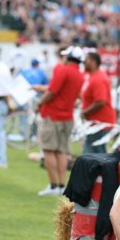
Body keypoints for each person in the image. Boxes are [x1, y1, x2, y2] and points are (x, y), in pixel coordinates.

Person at [35, 45, 84, 196]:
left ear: (68, 57)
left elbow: (52, 92)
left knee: (49, 150)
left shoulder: (64, 70)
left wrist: (40, 103)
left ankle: (53, 185)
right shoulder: (80, 75)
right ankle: (62, 185)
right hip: (67, 116)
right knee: (62, 151)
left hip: (53, 115)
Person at [80, 51, 117, 154]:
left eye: (86, 60)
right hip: (94, 123)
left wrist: (85, 112)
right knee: (91, 153)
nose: (84, 63)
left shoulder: (98, 78)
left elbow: (100, 101)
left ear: (93, 61)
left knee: (96, 155)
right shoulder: (91, 76)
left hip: (100, 123)